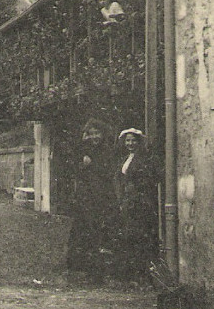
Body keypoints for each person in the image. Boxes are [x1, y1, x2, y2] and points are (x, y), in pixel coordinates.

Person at [68, 120, 117, 280]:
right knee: (83, 228)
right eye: (91, 133)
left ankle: (98, 267)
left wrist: (92, 164)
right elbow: (75, 167)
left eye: (97, 133)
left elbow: (107, 171)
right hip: (85, 196)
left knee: (99, 228)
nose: (95, 137)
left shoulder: (107, 150)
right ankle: (80, 265)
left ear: (103, 134)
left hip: (101, 194)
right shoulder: (84, 149)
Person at [114, 128, 159, 283]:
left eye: (133, 140)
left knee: (140, 236)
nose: (130, 143)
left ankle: (143, 274)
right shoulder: (124, 158)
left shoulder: (143, 159)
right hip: (126, 201)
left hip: (139, 202)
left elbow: (146, 180)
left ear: (138, 142)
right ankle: (130, 274)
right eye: (128, 140)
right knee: (128, 236)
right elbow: (119, 178)